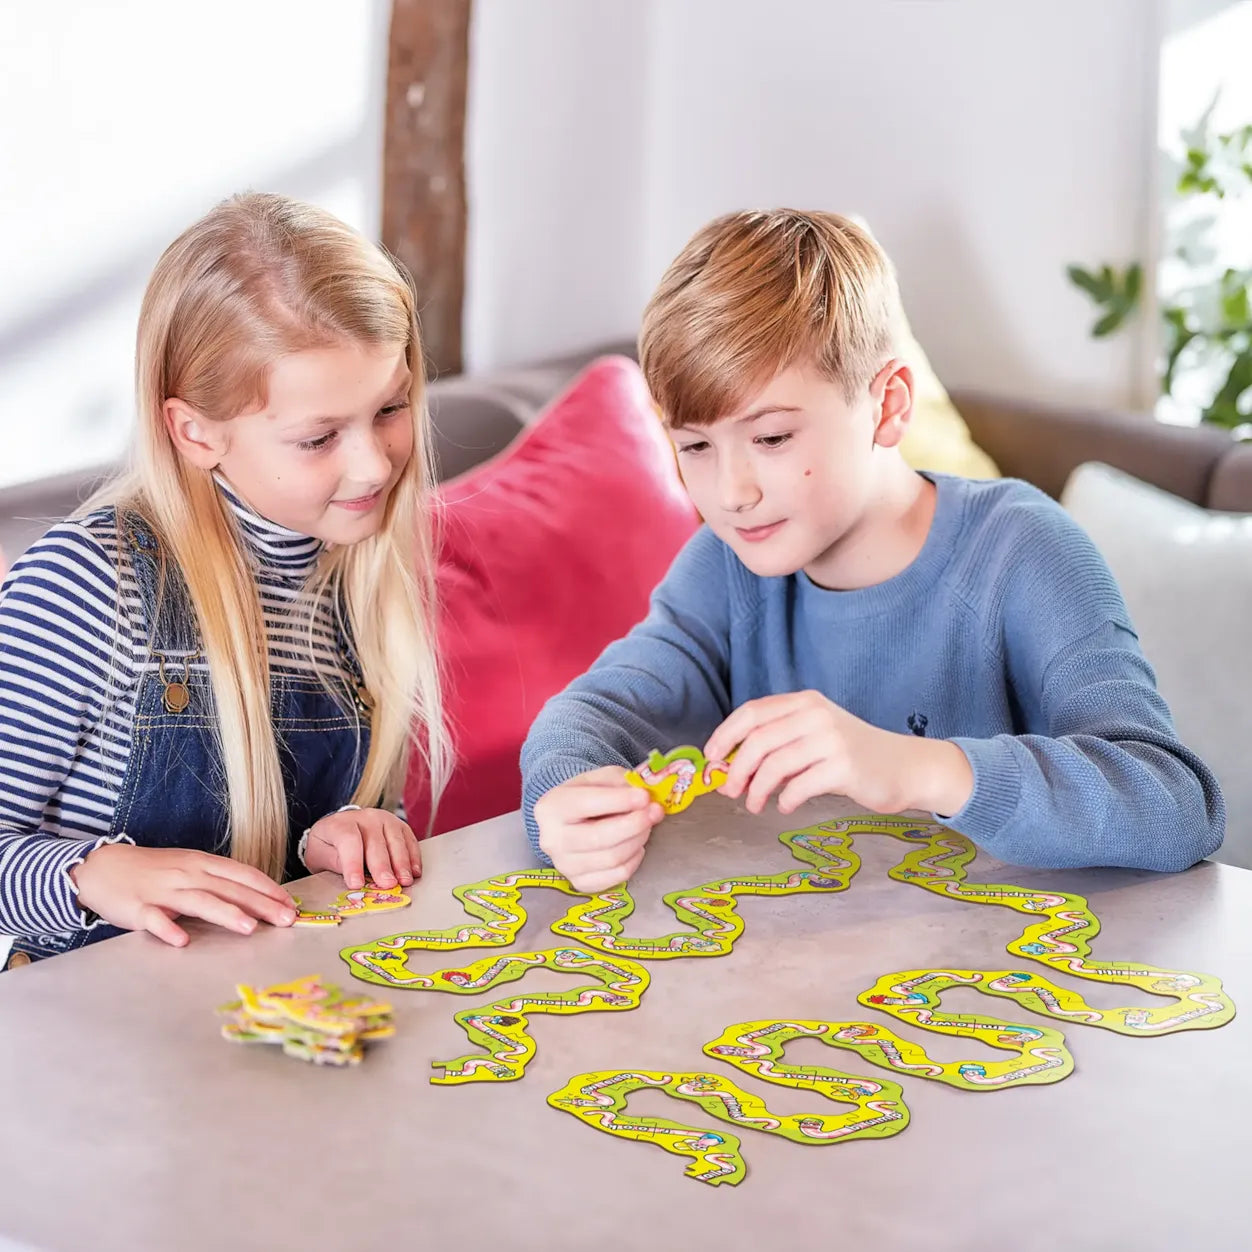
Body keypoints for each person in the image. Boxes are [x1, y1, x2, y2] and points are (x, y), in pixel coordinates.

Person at [521, 209, 1224, 893]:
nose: (730, 493)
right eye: (696, 447)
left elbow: (1175, 805)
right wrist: (567, 799)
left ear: (888, 406)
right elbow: (587, 715)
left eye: (770, 439)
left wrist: (920, 769)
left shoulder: (1023, 549)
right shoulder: (723, 567)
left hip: (1013, 986)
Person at [0, 192, 448, 963]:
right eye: (318, 437)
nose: (374, 463)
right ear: (195, 432)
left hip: (275, 1018)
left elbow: (359, 821)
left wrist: (344, 839)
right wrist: (87, 872)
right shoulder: (86, 585)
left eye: (391, 408)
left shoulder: (354, 571)